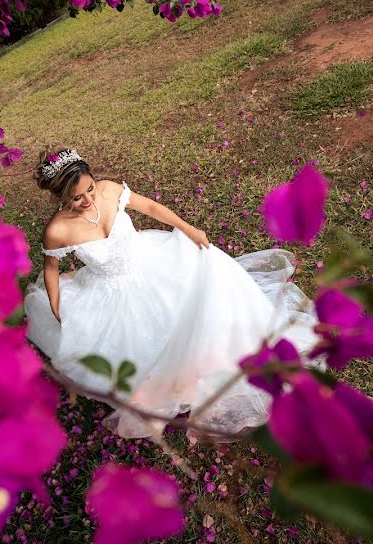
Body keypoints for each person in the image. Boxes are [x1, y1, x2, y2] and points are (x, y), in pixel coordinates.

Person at [24, 149, 319, 440]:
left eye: (89, 188)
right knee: (140, 345)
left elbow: (151, 208)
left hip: (153, 262)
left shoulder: (109, 190)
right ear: (60, 198)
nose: (88, 200)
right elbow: (51, 267)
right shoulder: (57, 230)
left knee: (203, 289)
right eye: (77, 198)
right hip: (112, 293)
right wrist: (55, 304)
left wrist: (188, 229)